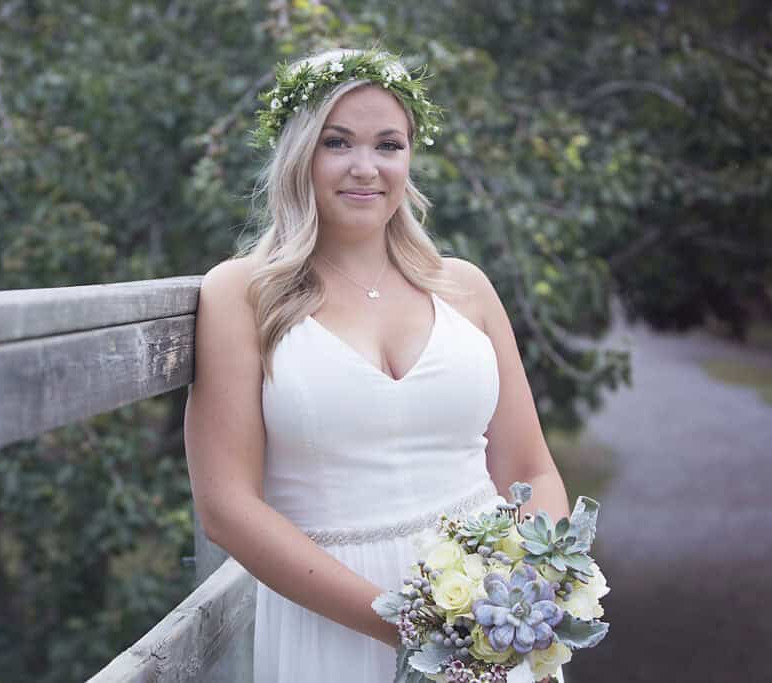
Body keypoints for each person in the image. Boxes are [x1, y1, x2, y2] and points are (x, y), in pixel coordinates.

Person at [183, 46, 571, 683]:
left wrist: (520, 592)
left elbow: (530, 467)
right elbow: (227, 505)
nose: (365, 168)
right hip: (333, 623)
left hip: (489, 628)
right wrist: (413, 624)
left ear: (409, 156)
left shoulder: (465, 288)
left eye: (388, 144)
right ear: (299, 153)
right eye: (338, 142)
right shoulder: (241, 295)